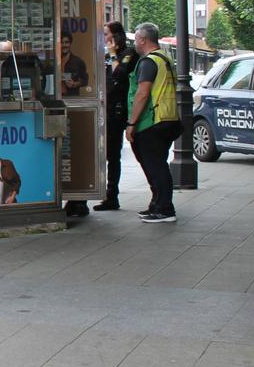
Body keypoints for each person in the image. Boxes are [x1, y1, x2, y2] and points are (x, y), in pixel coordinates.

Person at [126, 22, 182, 223]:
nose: (135, 44)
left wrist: (131, 122)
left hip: (153, 121)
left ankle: (165, 209)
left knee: (155, 165)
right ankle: (157, 204)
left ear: (143, 39)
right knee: (156, 163)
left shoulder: (148, 62)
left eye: (136, 40)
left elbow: (142, 94)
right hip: (168, 118)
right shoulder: (165, 58)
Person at [94, 21, 138, 211]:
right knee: (100, 153)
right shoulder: (104, 54)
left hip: (116, 109)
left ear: (115, 36)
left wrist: (113, 55)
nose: (104, 38)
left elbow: (119, 74)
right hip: (102, 106)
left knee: (113, 153)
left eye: (106, 34)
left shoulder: (128, 54)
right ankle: (101, 192)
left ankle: (112, 195)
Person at [60, 30, 88, 97]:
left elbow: (85, 81)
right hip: (56, 98)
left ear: (70, 43)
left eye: (66, 42)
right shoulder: (53, 62)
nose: (64, 45)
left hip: (71, 98)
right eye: (61, 42)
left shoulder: (78, 62)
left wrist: (74, 84)